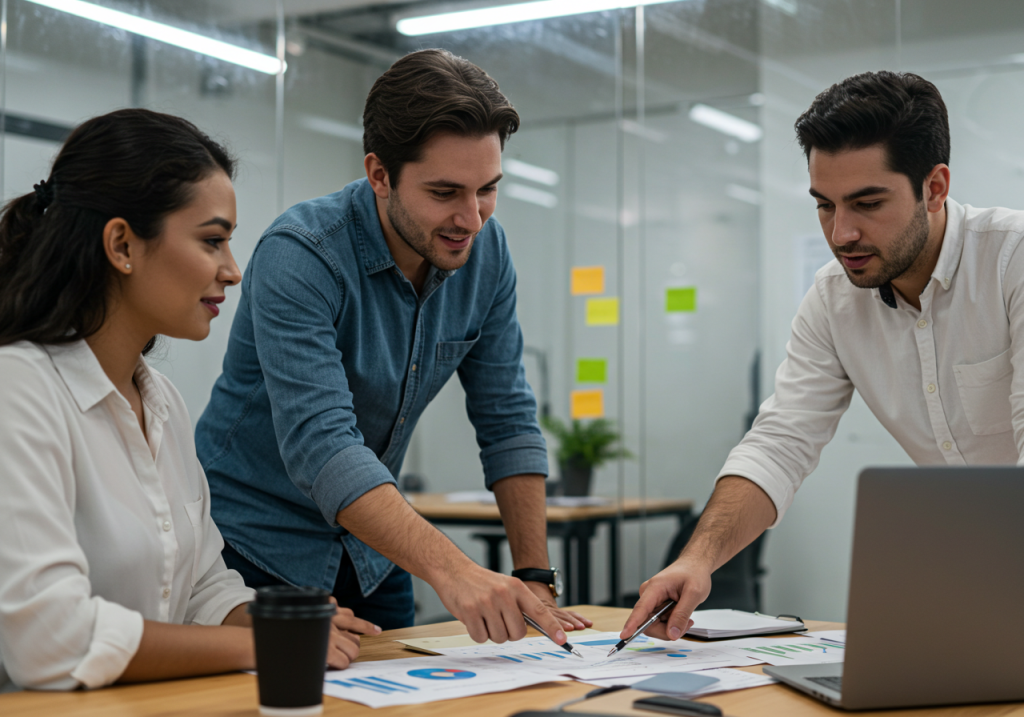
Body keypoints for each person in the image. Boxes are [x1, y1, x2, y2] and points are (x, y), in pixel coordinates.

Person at [196, 48, 591, 643]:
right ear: (380, 175)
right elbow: (323, 445)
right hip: (253, 554)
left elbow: (507, 417)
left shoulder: (486, 252)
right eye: (445, 192)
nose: (471, 219)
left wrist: (533, 577)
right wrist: (458, 573)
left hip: (374, 552)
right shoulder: (302, 254)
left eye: (487, 189)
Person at [622, 70, 1024, 641]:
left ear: (934, 188)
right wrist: (698, 559)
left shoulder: (1013, 261)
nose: (842, 234)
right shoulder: (833, 299)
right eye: (824, 205)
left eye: (867, 203)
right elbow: (780, 444)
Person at [0, 109, 373, 692]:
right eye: (212, 241)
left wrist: (274, 618)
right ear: (122, 244)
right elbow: (51, 640)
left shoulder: (162, 399)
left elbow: (200, 584)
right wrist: (262, 642)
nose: (233, 271)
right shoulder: (18, 389)